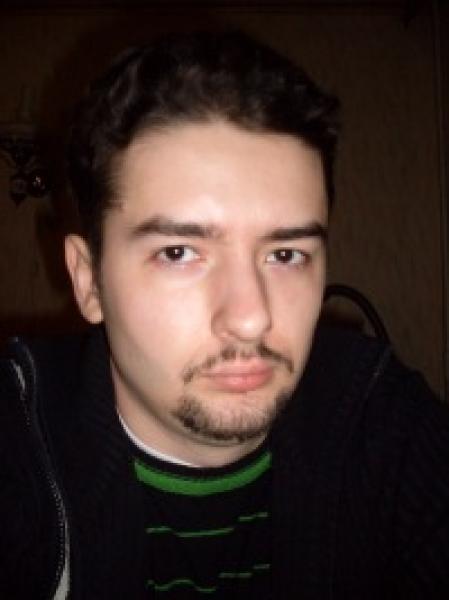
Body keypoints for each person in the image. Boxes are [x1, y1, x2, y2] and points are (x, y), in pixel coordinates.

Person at [1, 30, 448, 600]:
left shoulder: (378, 417)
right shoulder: (18, 443)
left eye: (285, 255)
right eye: (179, 252)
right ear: (88, 280)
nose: (250, 318)